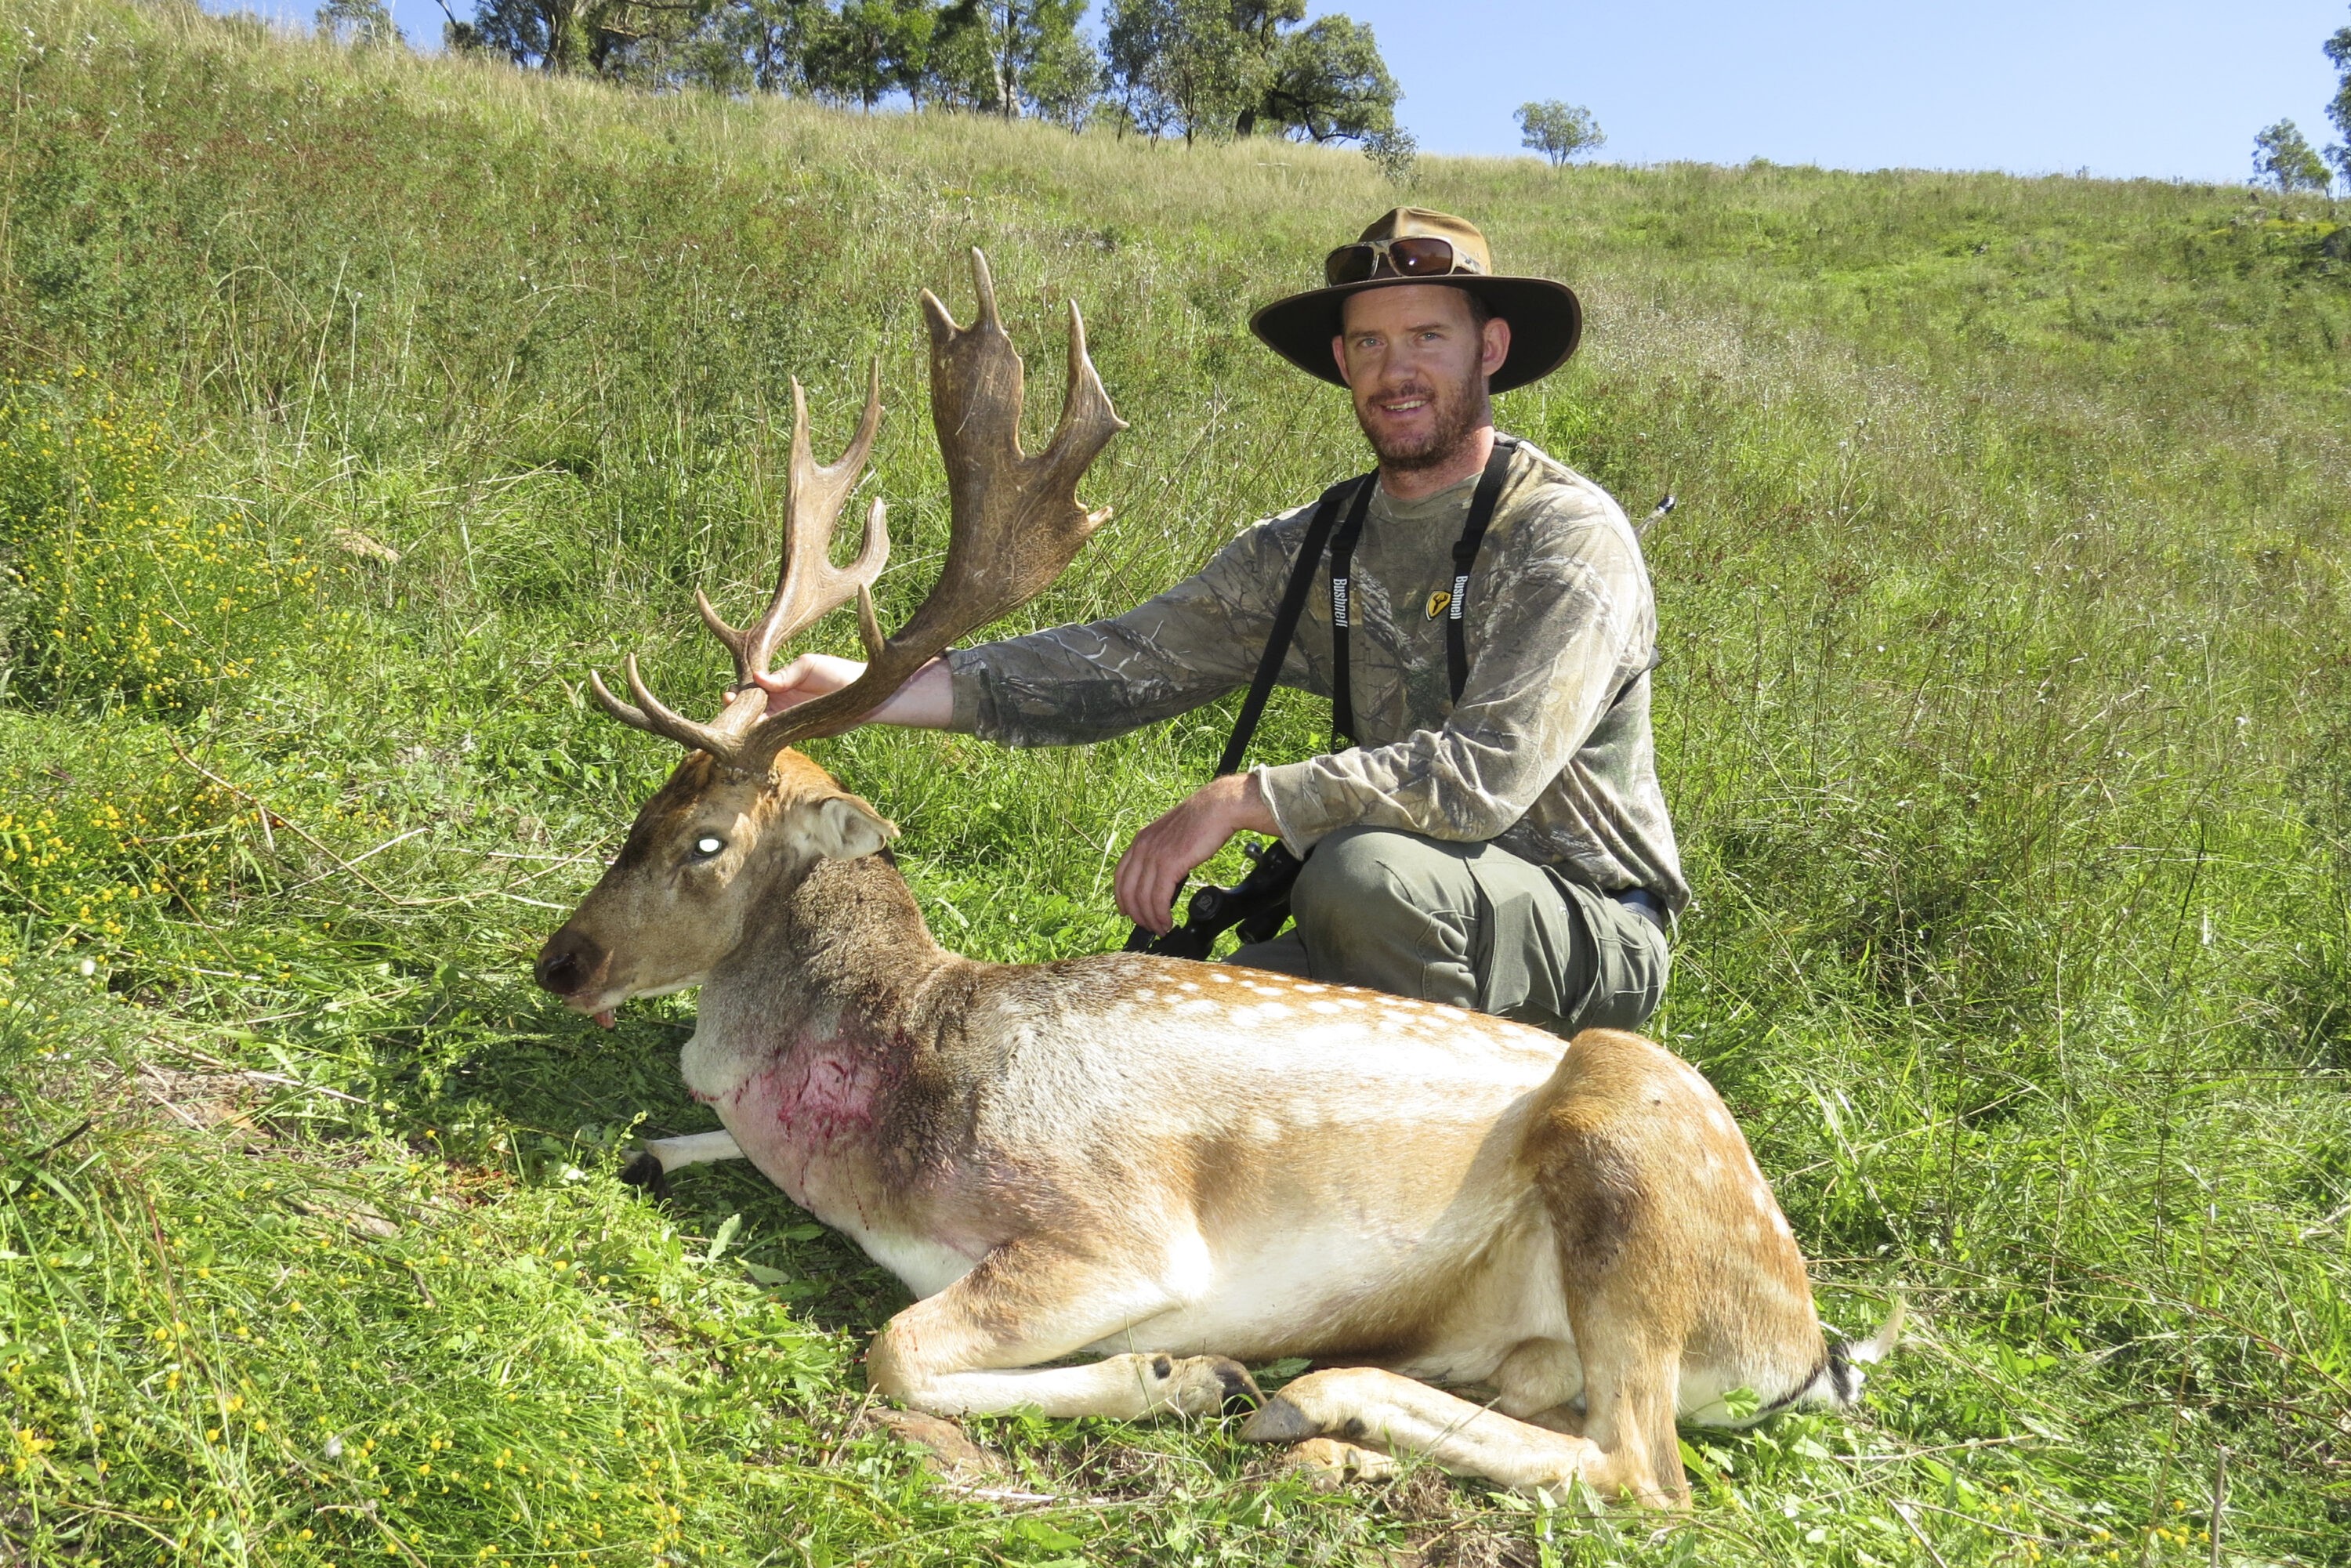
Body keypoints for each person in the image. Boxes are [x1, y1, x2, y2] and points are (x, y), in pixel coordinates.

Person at [757, 208, 1683, 1037]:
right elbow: (1123, 661)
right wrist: (872, 692)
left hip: (1582, 922)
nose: (1395, 371)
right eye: (1368, 344)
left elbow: (1487, 775)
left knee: (1364, 878)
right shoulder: (1319, 542)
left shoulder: (1563, 536)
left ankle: (1460, 1165)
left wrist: (1243, 800)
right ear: (1340, 362)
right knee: (1150, 1040)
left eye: (1427, 336)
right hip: (1395, 913)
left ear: (1489, 349)